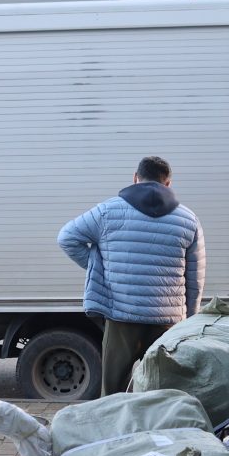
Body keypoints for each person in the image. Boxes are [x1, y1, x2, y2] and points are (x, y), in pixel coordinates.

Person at [57, 156, 205, 396]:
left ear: (135, 178)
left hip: (121, 317)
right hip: (166, 321)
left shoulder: (107, 211)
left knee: (113, 393)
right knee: (162, 393)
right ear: (168, 183)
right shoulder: (188, 219)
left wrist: (101, 269)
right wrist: (190, 319)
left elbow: (67, 238)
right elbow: (195, 278)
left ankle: (115, 421)